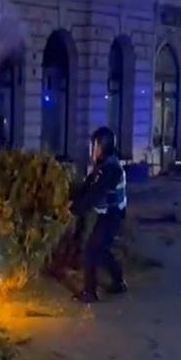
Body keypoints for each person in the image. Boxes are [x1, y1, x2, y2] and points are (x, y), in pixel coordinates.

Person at [69, 127, 128, 303]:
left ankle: (90, 292)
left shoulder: (111, 169)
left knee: (91, 251)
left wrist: (75, 208)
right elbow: (88, 186)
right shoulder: (103, 166)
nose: (91, 149)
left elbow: (96, 193)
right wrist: (73, 199)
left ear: (102, 146)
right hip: (109, 214)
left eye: (94, 145)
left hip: (113, 215)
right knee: (101, 250)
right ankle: (119, 282)